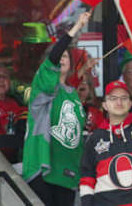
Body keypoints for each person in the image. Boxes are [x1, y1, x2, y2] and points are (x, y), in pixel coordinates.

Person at [22, 12, 91, 206]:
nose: (61, 58)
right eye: (58, 56)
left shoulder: (73, 93)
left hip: (68, 172)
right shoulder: (42, 89)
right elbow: (54, 58)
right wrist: (76, 27)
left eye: (66, 56)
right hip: (44, 169)